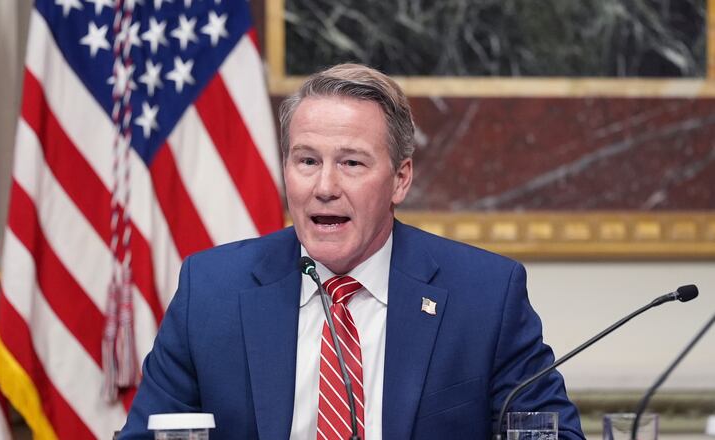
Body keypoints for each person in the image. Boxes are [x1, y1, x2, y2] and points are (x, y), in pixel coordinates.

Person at [119, 64, 584, 439]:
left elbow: (552, 433)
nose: (325, 187)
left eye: (351, 163)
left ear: (400, 178)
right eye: (307, 161)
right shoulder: (212, 290)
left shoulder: (483, 295)